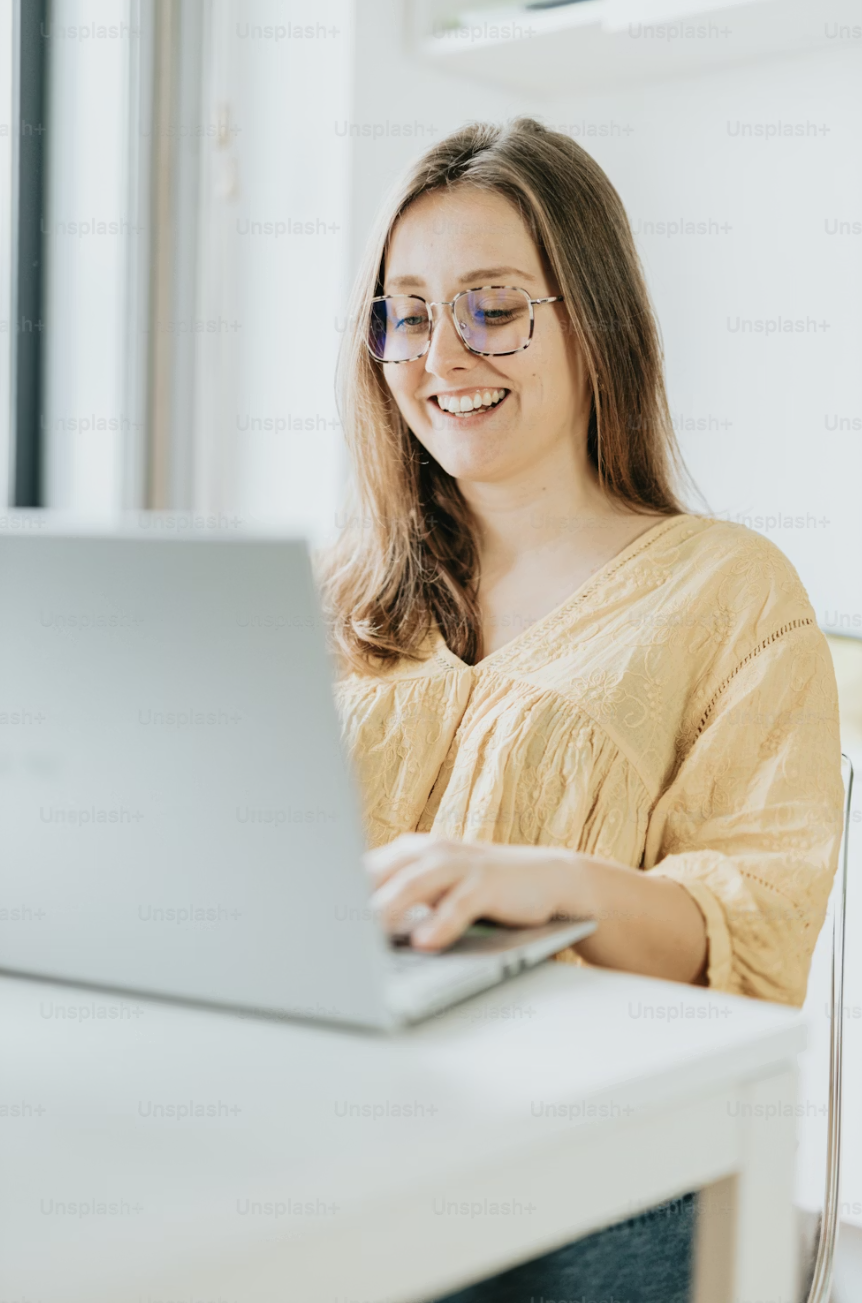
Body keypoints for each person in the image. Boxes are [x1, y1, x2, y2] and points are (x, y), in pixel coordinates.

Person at [318, 117, 844, 1303]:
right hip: (340, 1112)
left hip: (588, 1152)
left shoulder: (728, 589)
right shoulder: (336, 599)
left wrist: (549, 884)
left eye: (491, 307)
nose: (440, 354)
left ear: (592, 316)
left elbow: (747, 933)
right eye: (403, 313)